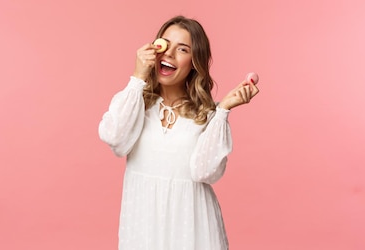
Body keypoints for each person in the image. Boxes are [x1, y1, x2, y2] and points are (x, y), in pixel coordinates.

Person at [98, 15, 259, 250]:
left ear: (194, 62)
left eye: (182, 49)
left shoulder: (207, 114)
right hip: (143, 228)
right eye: (165, 44)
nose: (169, 54)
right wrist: (137, 77)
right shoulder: (135, 103)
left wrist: (223, 110)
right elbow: (114, 138)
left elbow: (205, 172)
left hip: (192, 230)